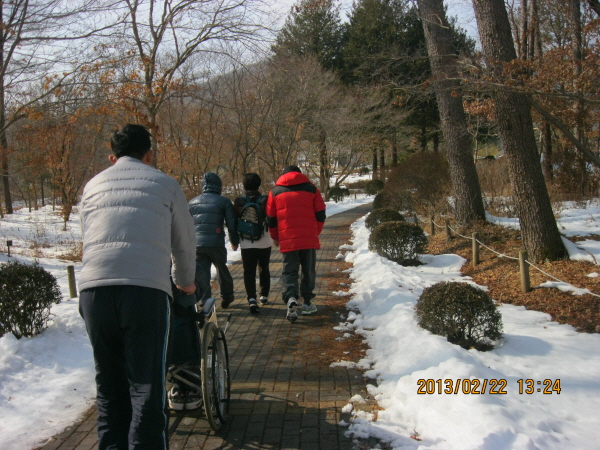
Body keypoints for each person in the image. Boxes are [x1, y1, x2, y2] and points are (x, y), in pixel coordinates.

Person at [78, 124, 196, 450]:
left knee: (109, 386)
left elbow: (87, 237)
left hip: (94, 291)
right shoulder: (165, 184)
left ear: (112, 157)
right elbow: (185, 242)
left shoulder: (92, 185)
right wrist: (185, 282)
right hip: (145, 291)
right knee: (145, 386)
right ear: (149, 155)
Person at [266, 165, 326, 322]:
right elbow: (321, 214)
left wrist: (276, 237)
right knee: (308, 270)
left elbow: (271, 219)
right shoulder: (312, 189)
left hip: (288, 239)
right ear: (300, 174)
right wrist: (315, 232)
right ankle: (307, 302)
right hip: (308, 238)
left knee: (289, 271)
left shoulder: (275, 192)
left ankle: (291, 296)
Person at [188, 172, 239, 308]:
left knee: (203, 273)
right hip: (216, 243)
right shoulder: (224, 201)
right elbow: (231, 224)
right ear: (219, 185)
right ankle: (227, 296)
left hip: (198, 244)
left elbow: (186, 225)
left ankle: (205, 301)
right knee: (222, 269)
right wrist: (234, 241)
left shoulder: (192, 203)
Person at [234, 173, 273, 314]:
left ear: (244, 185)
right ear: (259, 184)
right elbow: (271, 218)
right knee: (264, 267)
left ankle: (251, 298)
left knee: (248, 270)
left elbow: (234, 222)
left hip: (246, 241)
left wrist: (234, 240)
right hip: (264, 240)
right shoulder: (265, 200)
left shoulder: (239, 201)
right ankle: (264, 295)